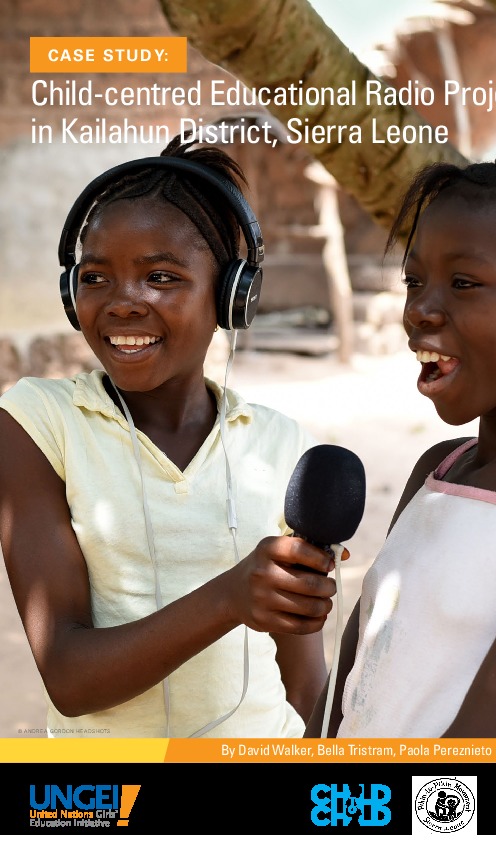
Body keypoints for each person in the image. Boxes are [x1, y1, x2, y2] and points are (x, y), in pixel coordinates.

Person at [0, 135, 338, 738]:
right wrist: (230, 598)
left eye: (160, 276)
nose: (124, 302)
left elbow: (305, 681)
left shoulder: (282, 446)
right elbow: (68, 677)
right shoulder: (37, 422)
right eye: (95, 277)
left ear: (232, 295)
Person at [306, 145, 496, 738]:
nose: (419, 310)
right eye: (415, 280)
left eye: (463, 283)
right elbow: (350, 686)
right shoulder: (439, 467)